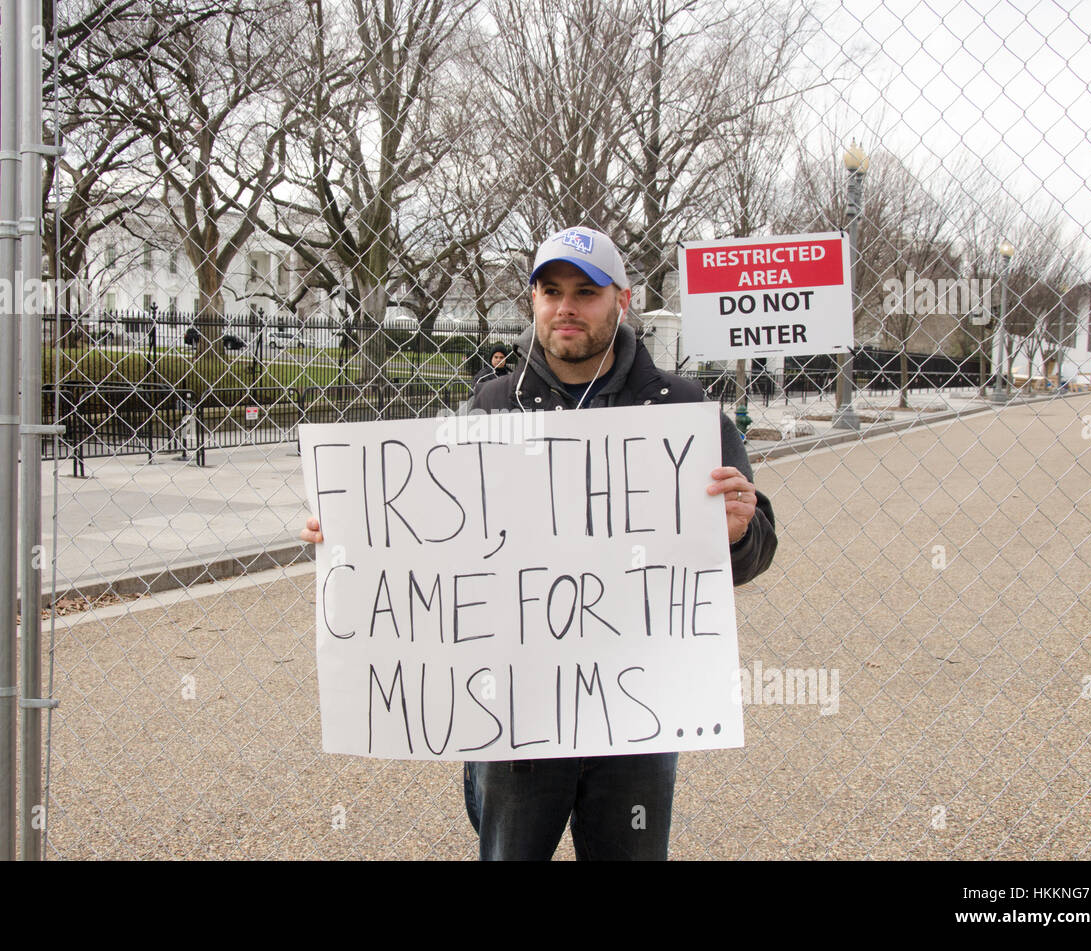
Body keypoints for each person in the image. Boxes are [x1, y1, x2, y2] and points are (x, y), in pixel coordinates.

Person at [301, 225, 777, 861]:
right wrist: (357, 534)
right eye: (550, 290)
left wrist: (739, 532)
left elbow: (755, 549)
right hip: (518, 715)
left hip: (635, 708)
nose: (566, 307)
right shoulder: (492, 406)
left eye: (586, 291)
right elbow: (445, 539)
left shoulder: (681, 410)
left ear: (622, 301)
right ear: (532, 301)